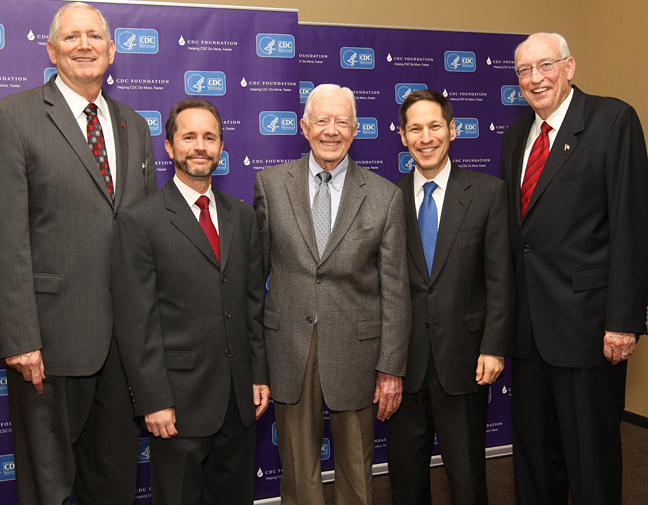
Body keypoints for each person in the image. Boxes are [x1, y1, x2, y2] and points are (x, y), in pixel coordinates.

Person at [0, 2, 156, 504]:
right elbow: (8, 235)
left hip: (124, 346)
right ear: (50, 50)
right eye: (71, 38)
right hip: (49, 342)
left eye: (94, 37)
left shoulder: (135, 125)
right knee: (47, 487)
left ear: (112, 51)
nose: (84, 45)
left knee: (112, 484)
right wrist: (21, 337)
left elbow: (146, 237)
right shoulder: (14, 116)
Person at [501, 32, 648, 505]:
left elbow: (631, 224)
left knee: (591, 459)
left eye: (545, 65)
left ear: (570, 66)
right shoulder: (513, 137)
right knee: (534, 460)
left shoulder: (612, 120)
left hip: (588, 329)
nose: (535, 78)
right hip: (528, 334)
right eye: (524, 70)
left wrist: (624, 321)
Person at [254, 83, 411, 505]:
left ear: (356, 129)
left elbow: (395, 290)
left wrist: (391, 367)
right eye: (322, 120)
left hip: (358, 354)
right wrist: (255, 365)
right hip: (288, 348)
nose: (331, 130)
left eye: (342, 121)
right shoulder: (270, 185)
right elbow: (254, 280)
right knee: (298, 478)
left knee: (357, 475)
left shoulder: (384, 196)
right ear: (304, 127)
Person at [111, 98, 269, 505]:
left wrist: (259, 375)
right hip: (178, 406)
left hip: (239, 401)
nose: (200, 146)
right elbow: (136, 321)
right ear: (169, 147)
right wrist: (154, 400)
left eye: (209, 137)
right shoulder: (140, 221)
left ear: (221, 147)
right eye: (189, 137)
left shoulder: (242, 216)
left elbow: (253, 304)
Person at [386, 89, 514, 505]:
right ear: (403, 137)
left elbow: (500, 278)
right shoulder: (387, 199)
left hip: (465, 361)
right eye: (415, 129)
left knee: (467, 478)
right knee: (406, 480)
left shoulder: (487, 193)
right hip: (403, 367)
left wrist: (494, 346)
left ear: (452, 130)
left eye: (435, 126)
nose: (426, 137)